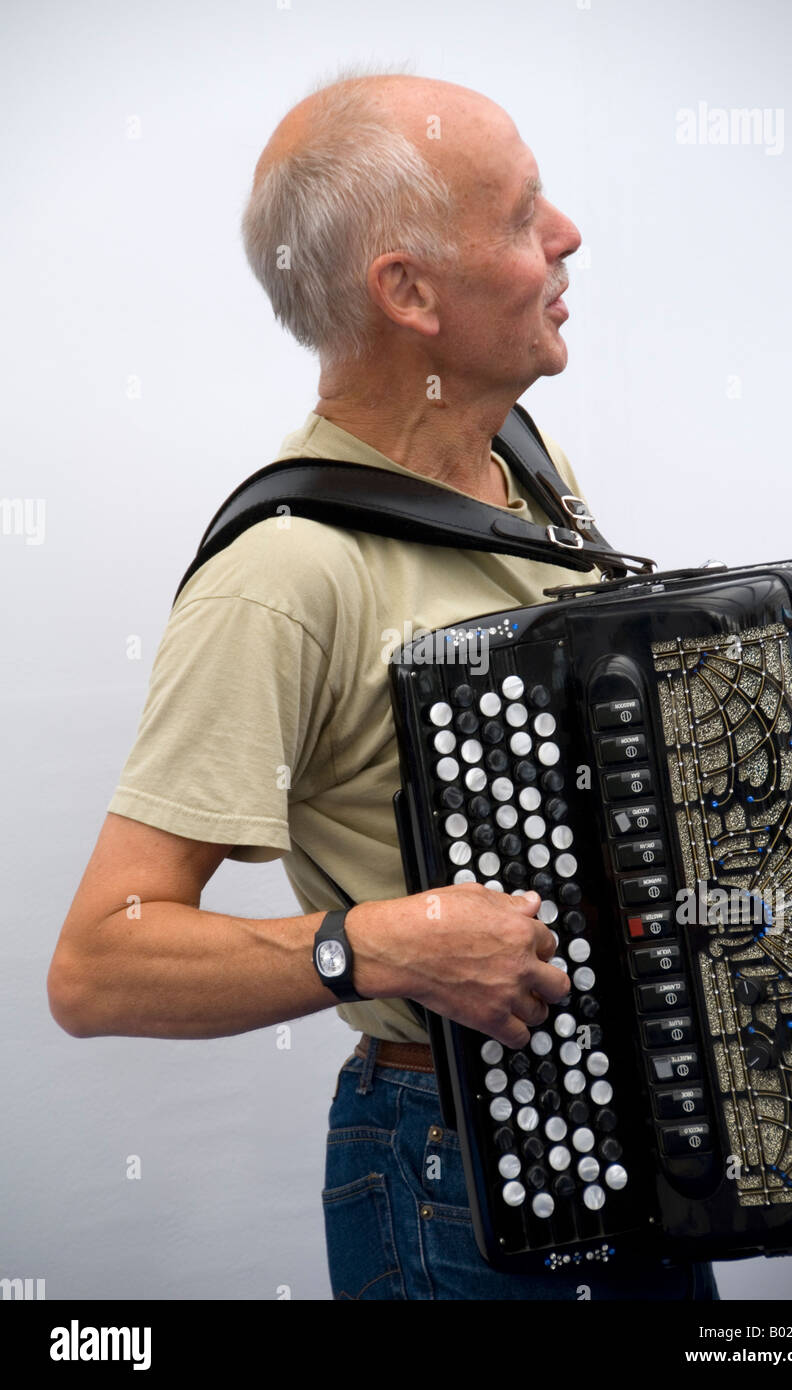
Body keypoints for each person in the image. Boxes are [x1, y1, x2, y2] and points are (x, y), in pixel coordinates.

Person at [47, 69, 718, 1301]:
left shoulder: (524, 462)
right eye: (520, 218)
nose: (567, 235)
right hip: (449, 1169)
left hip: (631, 1141)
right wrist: (382, 944)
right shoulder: (286, 571)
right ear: (406, 291)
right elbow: (97, 963)